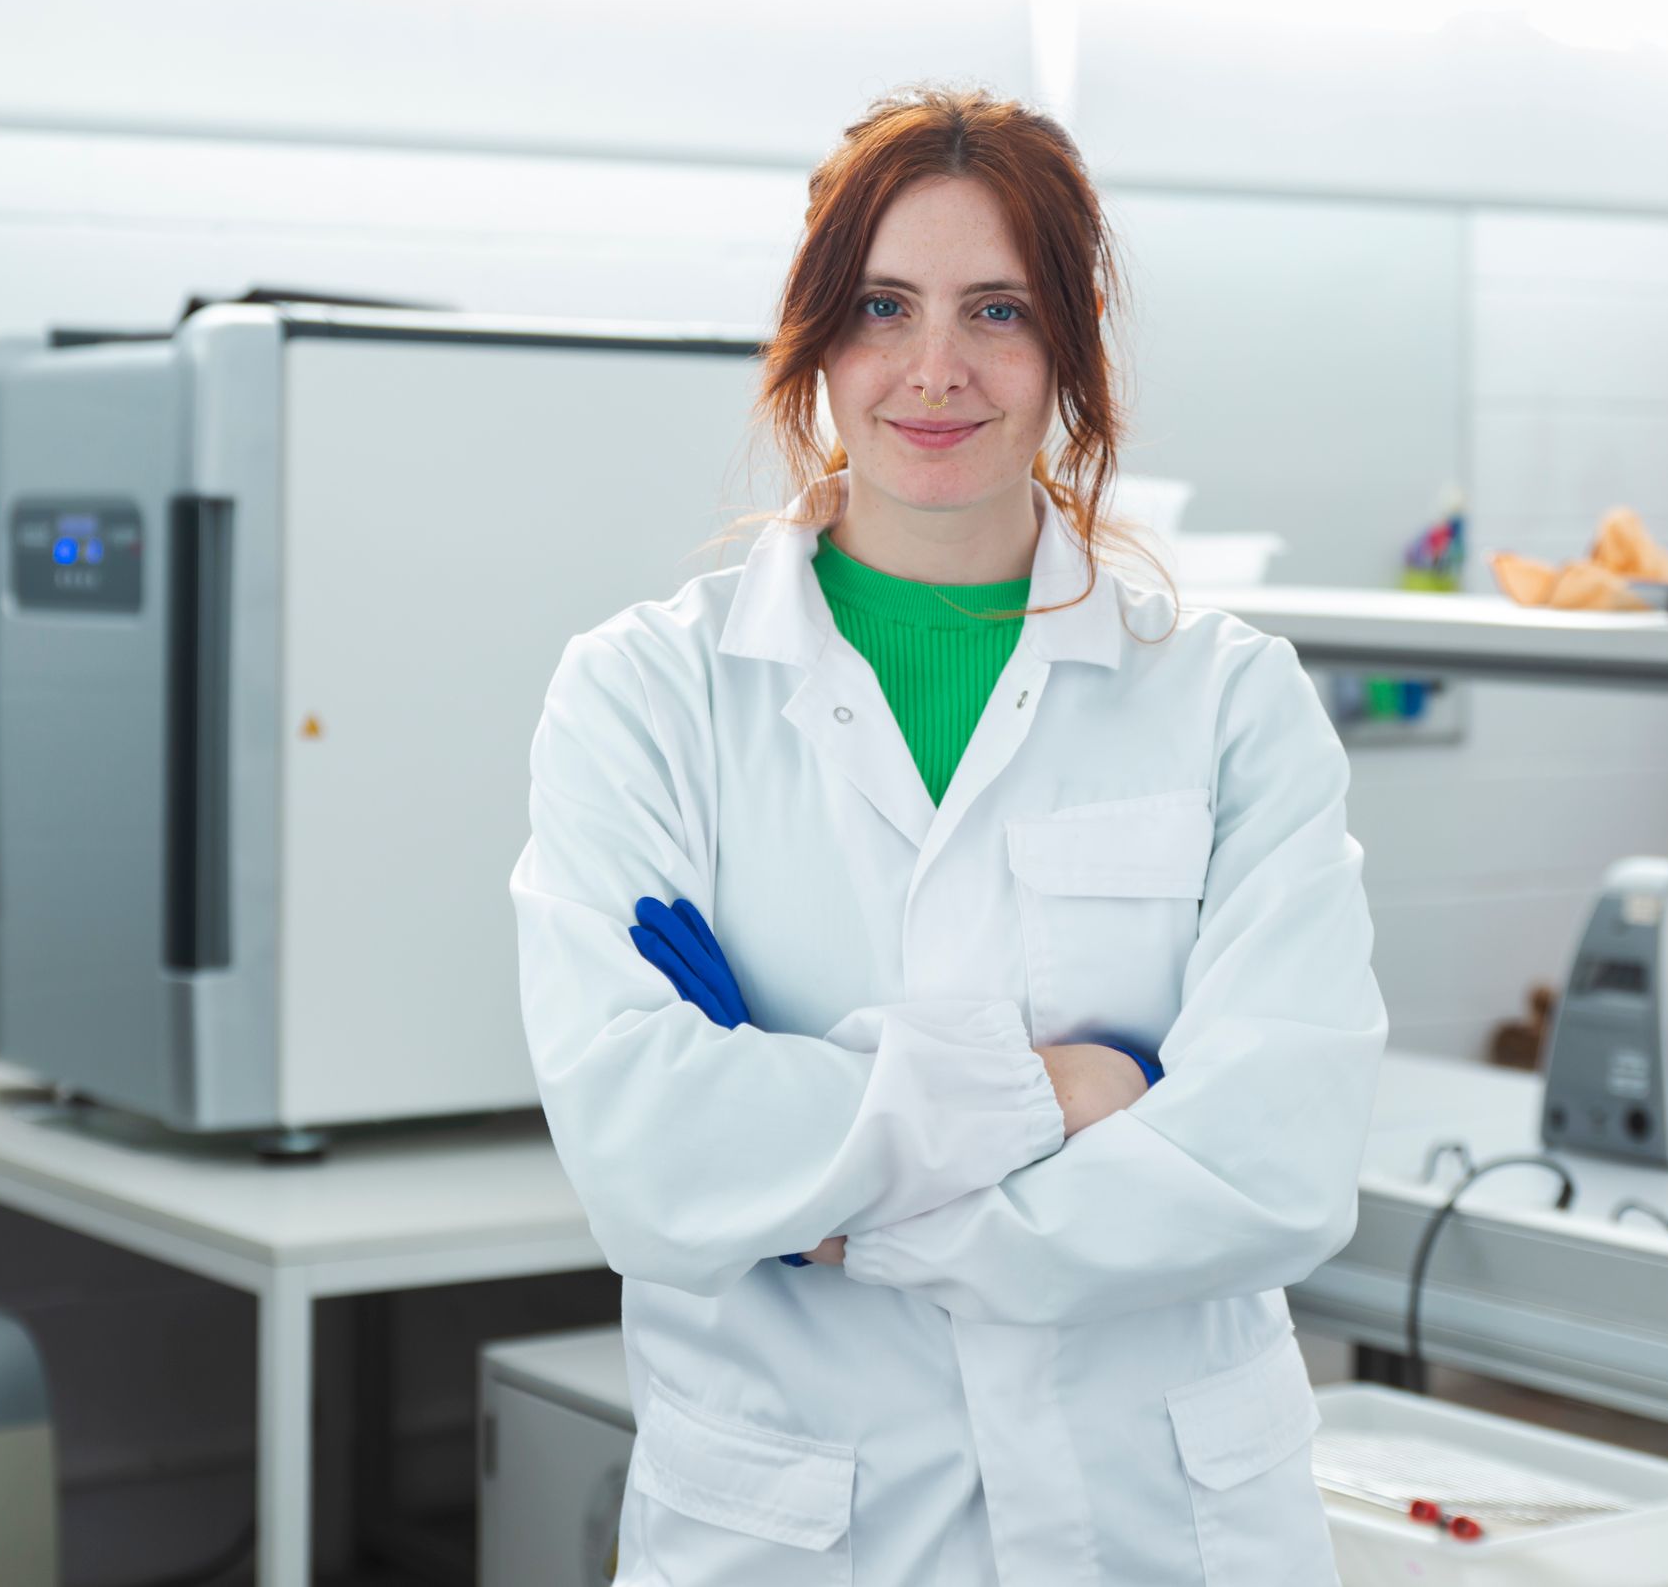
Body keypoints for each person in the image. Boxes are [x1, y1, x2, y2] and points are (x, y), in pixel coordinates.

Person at [512, 86, 1386, 1586]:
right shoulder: (650, 696)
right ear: (814, 337)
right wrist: (1071, 1091)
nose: (933, 368)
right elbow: (647, 1152)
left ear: (1067, 346)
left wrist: (833, 1213)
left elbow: (1274, 1160)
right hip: (800, 1528)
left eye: (996, 309)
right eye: (879, 306)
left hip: (1158, 1529)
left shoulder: (1225, 697)